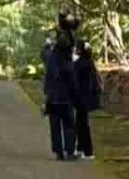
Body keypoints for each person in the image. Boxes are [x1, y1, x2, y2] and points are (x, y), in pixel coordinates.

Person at [43, 12, 78, 160]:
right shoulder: (69, 62)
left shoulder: (52, 56)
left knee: (55, 124)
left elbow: (44, 55)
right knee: (69, 124)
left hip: (53, 96)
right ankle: (69, 151)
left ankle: (59, 152)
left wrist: (46, 46)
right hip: (66, 96)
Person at [74, 39, 101, 159]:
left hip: (82, 98)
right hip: (85, 98)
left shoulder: (81, 64)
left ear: (80, 50)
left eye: (77, 48)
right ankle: (80, 148)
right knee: (80, 123)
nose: (75, 49)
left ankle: (88, 151)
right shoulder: (88, 62)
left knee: (83, 124)